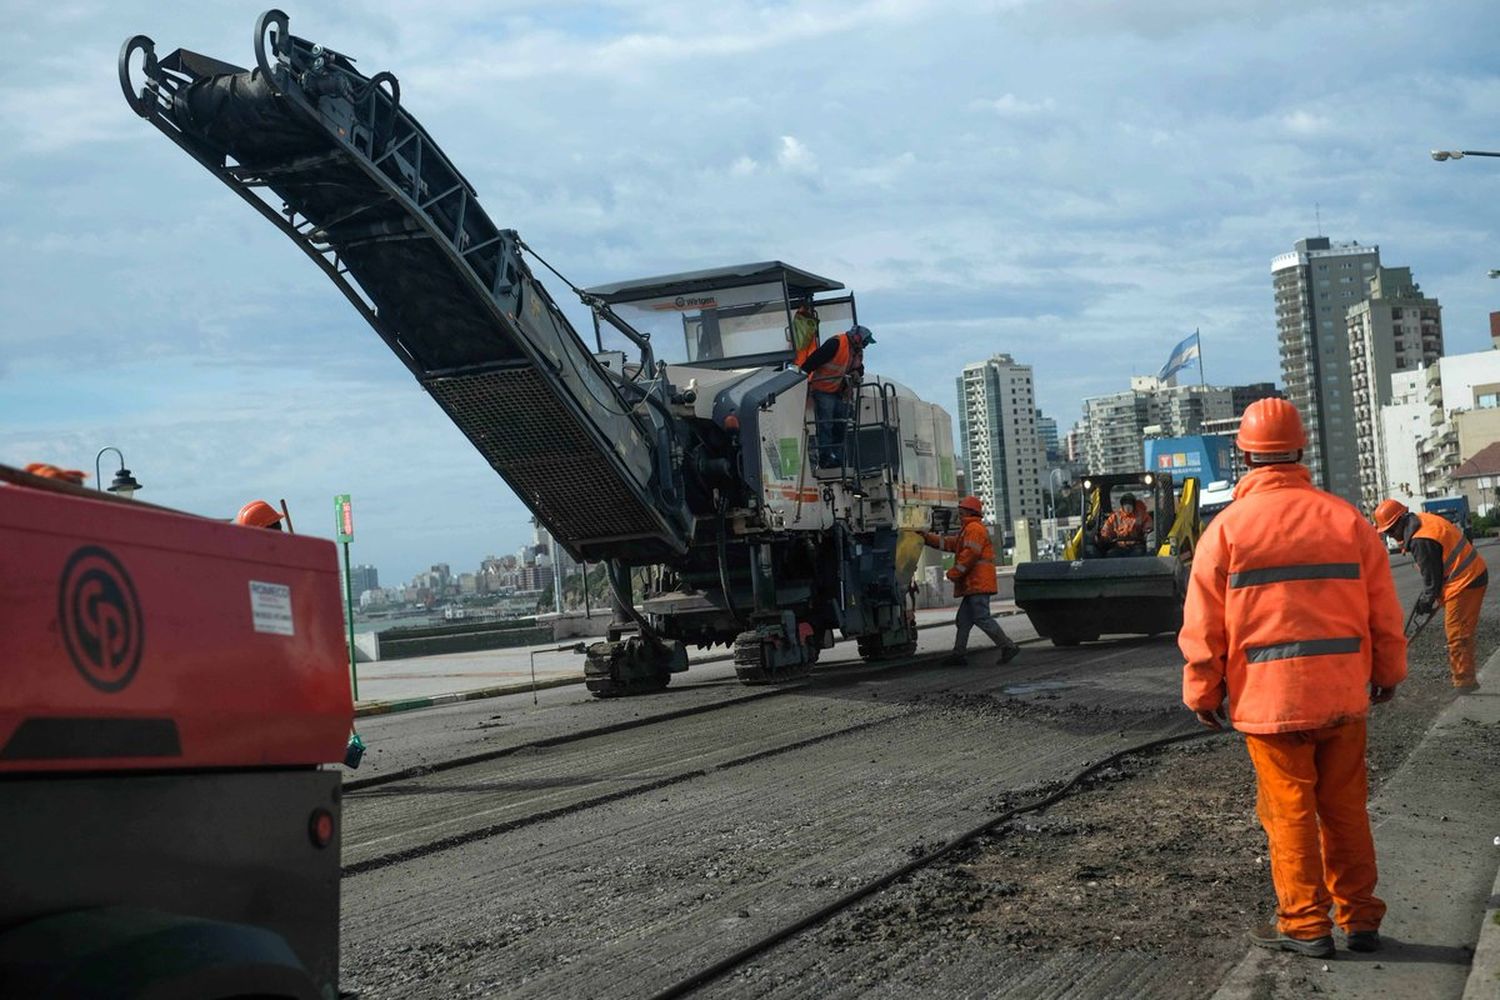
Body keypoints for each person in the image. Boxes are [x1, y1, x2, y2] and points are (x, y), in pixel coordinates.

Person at [1180, 397, 1406, 959]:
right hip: (1342, 697)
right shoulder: (1346, 518)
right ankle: (1360, 919)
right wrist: (1388, 672)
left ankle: (1305, 924)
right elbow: (1382, 609)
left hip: (1271, 704)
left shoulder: (1227, 529)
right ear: (1301, 449)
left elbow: (1204, 625)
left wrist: (1203, 691)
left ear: (1245, 457)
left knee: (1290, 813)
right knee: (1345, 809)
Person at [1372, 498, 1486, 690]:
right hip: (1464, 578)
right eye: (1387, 533)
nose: (1391, 536)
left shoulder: (1421, 540)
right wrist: (1428, 596)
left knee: (1457, 634)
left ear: (1401, 520)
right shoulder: (1422, 522)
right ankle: (1464, 679)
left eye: (1391, 530)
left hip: (1466, 581)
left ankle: (1465, 684)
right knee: (1458, 631)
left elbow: (1432, 581)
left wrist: (1426, 601)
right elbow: (1434, 575)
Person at [922, 495, 1021, 666]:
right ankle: (959, 654)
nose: (958, 516)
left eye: (961, 512)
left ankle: (1007, 646)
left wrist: (955, 572)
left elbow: (970, 554)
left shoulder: (974, 529)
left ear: (969, 512)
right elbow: (951, 544)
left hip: (978, 584)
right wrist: (927, 538)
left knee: (982, 617)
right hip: (975, 584)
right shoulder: (969, 529)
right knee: (963, 619)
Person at [799, 324, 875, 468]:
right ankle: (826, 458)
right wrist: (800, 375)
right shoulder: (836, 343)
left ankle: (838, 458)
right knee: (826, 424)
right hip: (823, 390)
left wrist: (857, 374)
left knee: (841, 424)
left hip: (840, 393)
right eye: (865, 342)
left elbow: (860, 368)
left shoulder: (856, 351)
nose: (865, 346)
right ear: (857, 337)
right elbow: (814, 360)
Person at [1098, 492, 1152, 556]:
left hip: (1136, 546)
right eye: (1125, 504)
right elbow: (1106, 530)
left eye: (1130, 504)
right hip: (1119, 546)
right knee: (1111, 554)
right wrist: (1104, 537)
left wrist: (1146, 534)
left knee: (1138, 554)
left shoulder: (1142, 516)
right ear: (1122, 505)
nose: (1127, 507)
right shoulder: (1114, 517)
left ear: (1134, 505)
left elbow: (1148, 528)